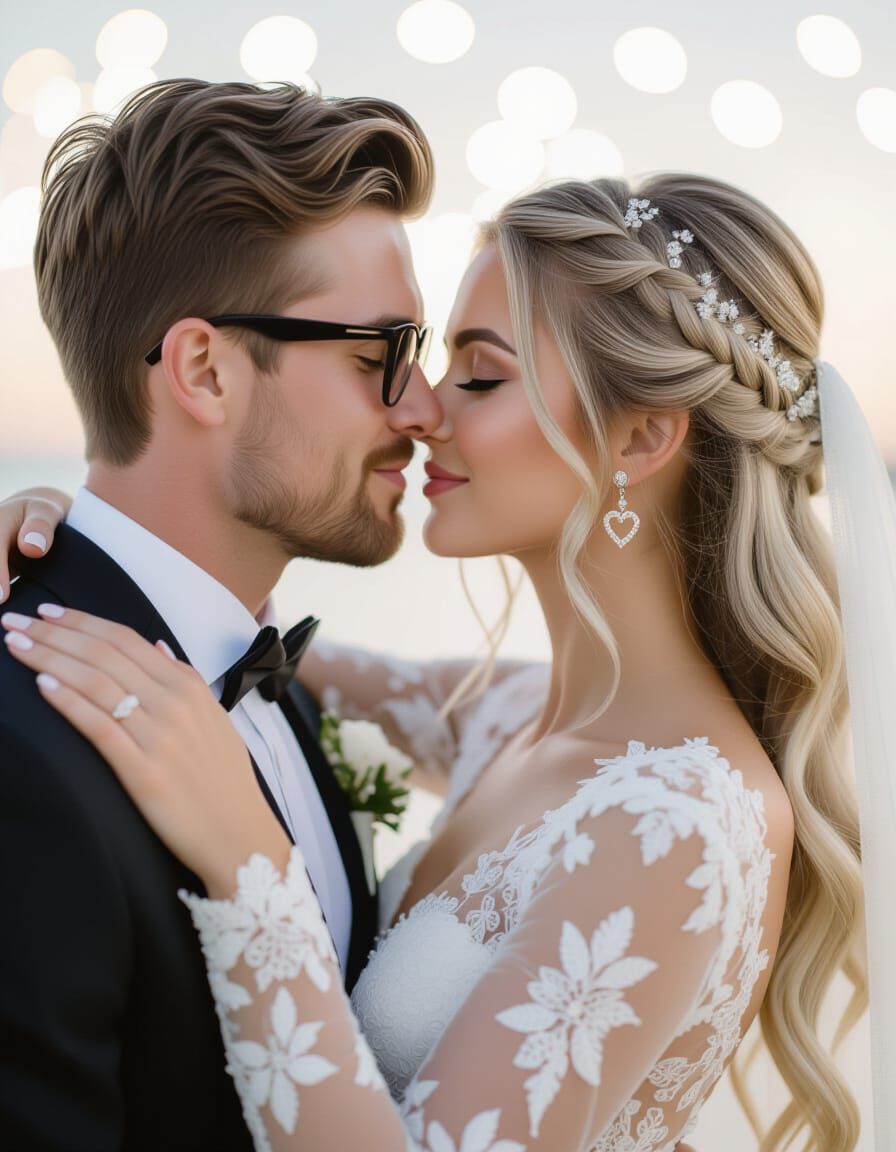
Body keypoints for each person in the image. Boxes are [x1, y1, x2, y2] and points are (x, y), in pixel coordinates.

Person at [4, 170, 886, 1152]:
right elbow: (239, 645)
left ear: (637, 437)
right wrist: (66, 534)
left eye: (478, 374)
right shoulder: (507, 716)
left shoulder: (676, 826)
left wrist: (252, 867)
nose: (423, 410)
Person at [0, 78, 444, 1149]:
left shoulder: (269, 680)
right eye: (378, 354)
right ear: (203, 369)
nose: (421, 409)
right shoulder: (17, 751)